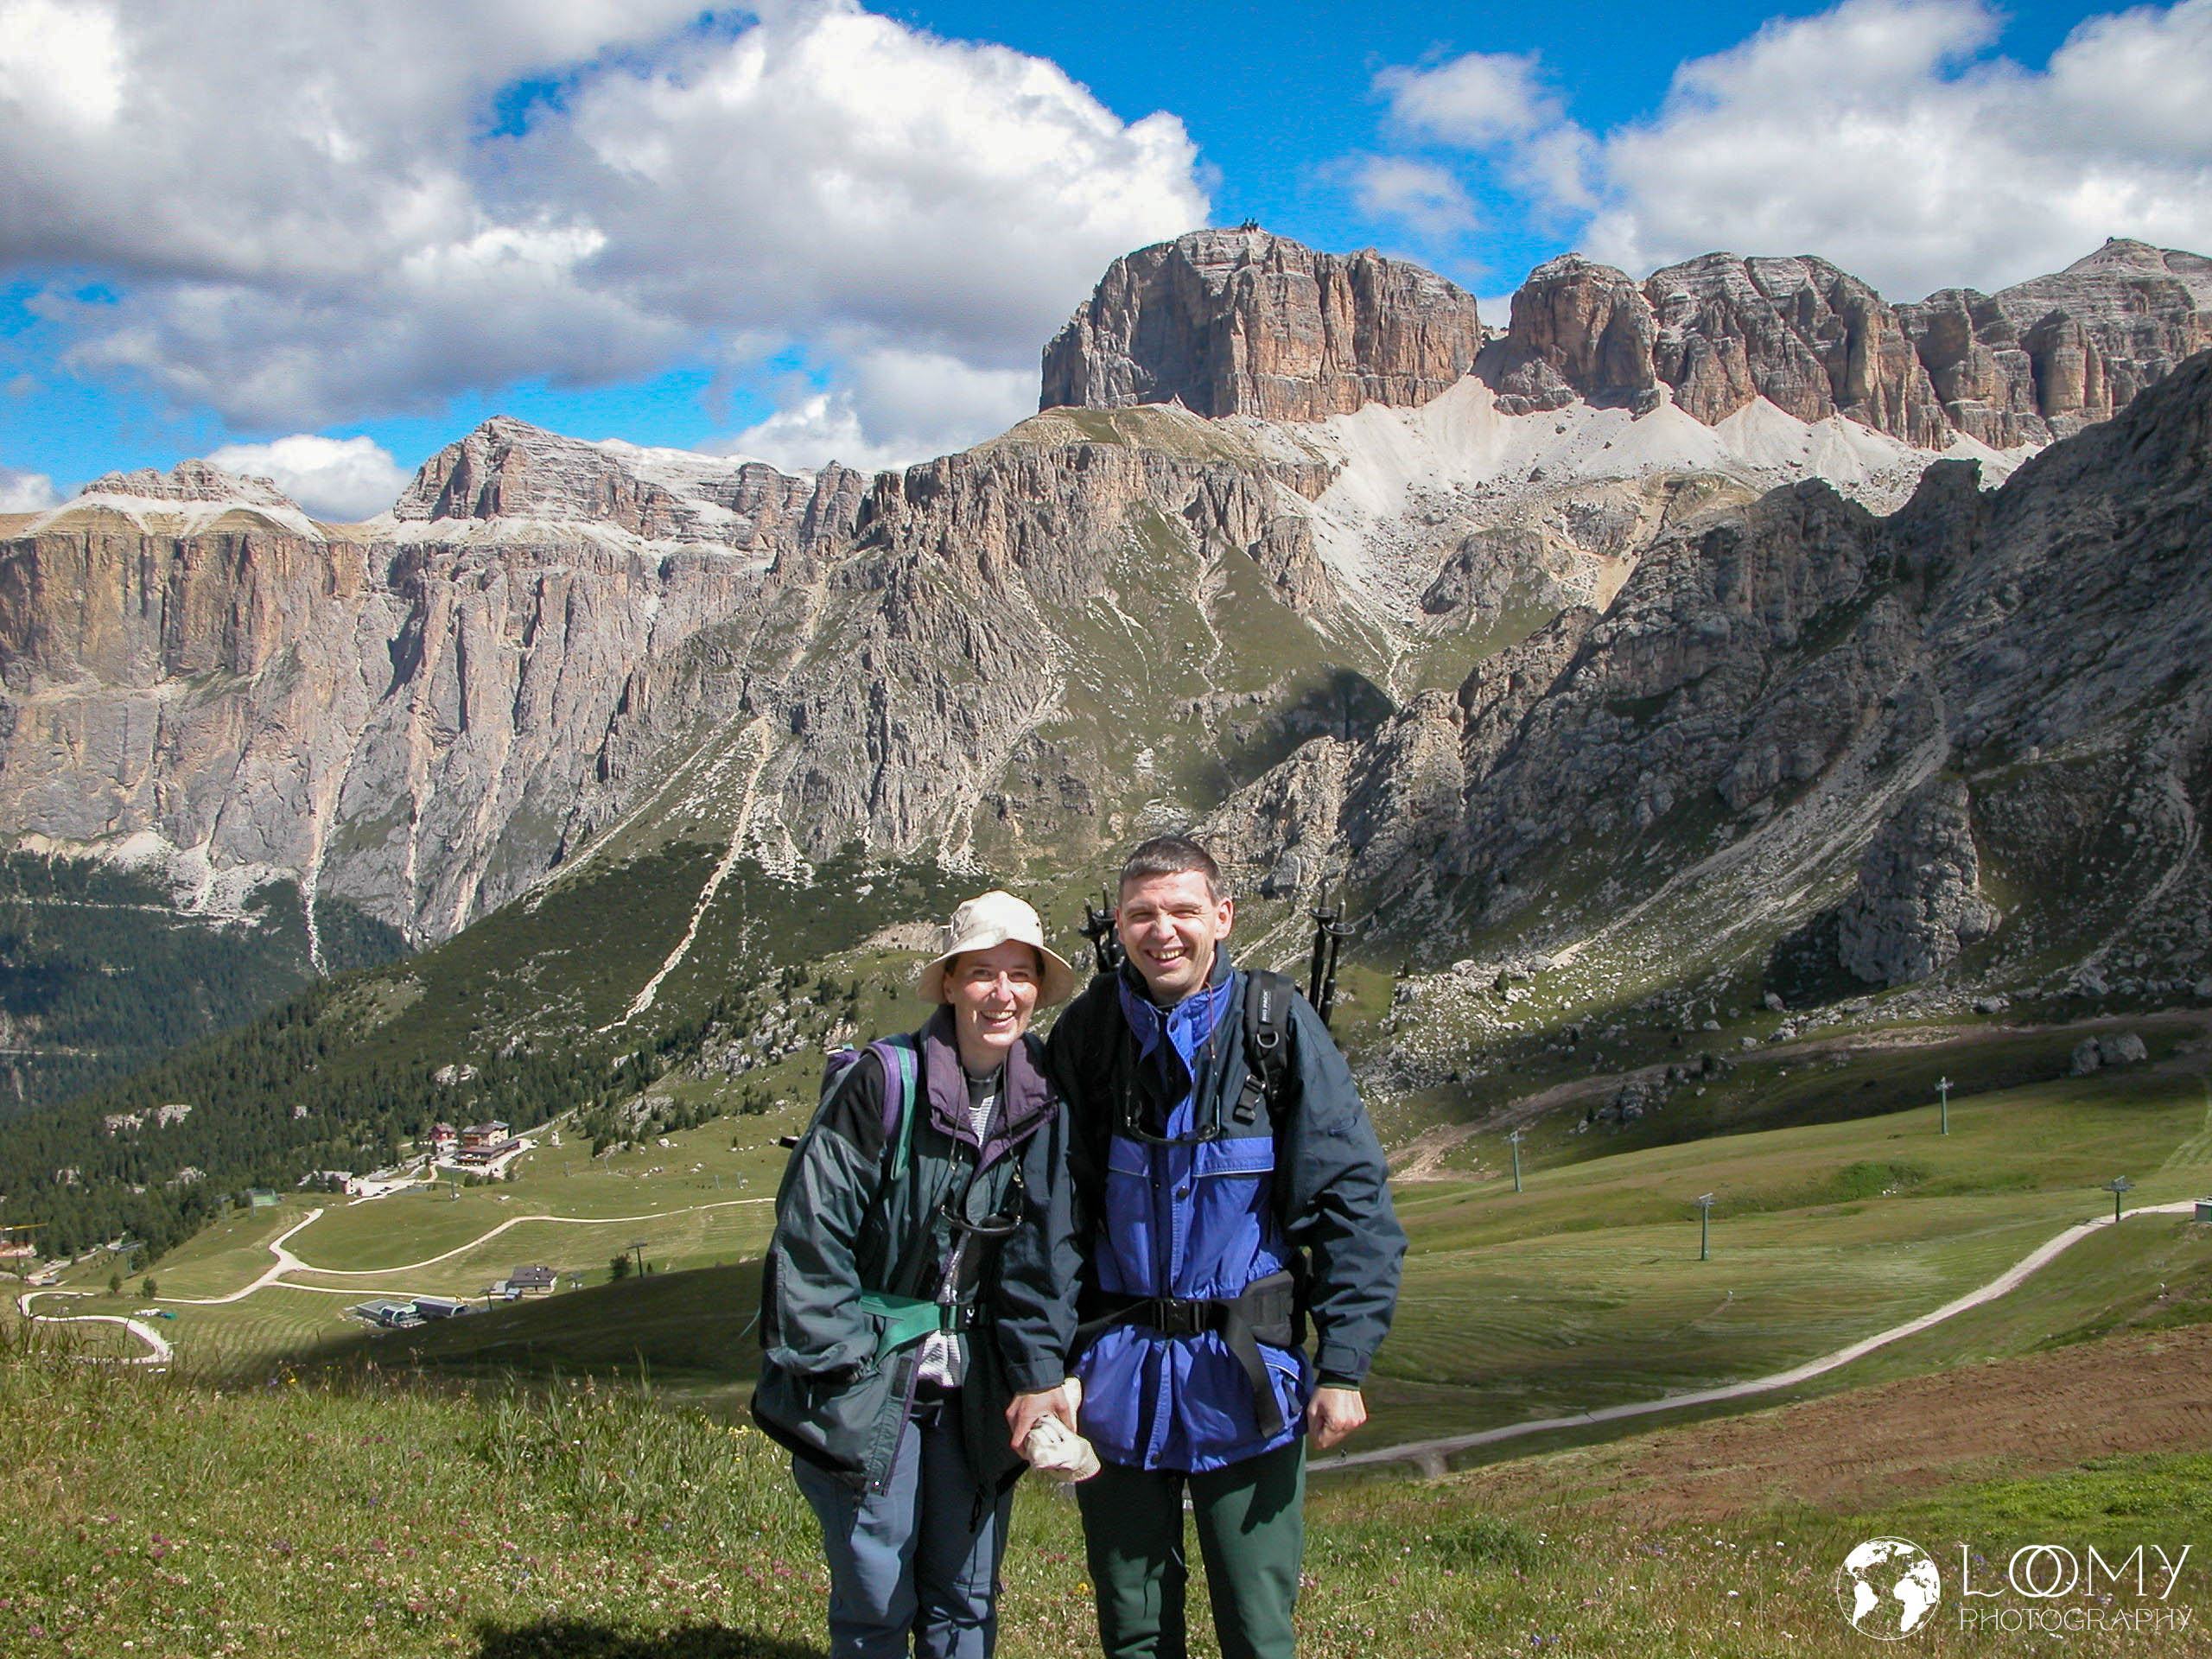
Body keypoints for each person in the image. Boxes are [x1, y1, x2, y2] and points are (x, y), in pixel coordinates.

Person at [1002, 836, 1406, 1659]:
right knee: (1133, 1626)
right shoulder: (1089, 1034)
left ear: (1222, 917)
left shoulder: (1277, 1024)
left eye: (1184, 911)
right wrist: (1043, 1370)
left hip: (1247, 1380)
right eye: (1143, 914)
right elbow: (1050, 1221)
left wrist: (1344, 1366)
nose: (1164, 932)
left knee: (1258, 1629)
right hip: (1117, 1381)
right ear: (1118, 925)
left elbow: (1349, 1200)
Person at [752, 889, 1077, 1659]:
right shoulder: (880, 1084)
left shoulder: (1044, 1101)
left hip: (980, 1387)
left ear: (1037, 989)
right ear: (950, 985)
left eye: (1020, 974)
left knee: (964, 1597)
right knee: (876, 1594)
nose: (1003, 993)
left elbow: (1052, 1249)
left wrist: (1043, 1370)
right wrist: (839, 1371)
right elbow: (811, 1235)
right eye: (981, 973)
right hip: (872, 1377)